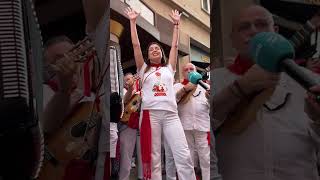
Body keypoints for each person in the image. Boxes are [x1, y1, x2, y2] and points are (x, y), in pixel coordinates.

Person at [211, 5, 320, 180]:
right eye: (244, 27)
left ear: (275, 31)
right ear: (232, 39)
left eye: (261, 24)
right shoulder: (214, 80)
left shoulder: (309, 81)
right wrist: (239, 89)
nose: (253, 31)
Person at [125, 7, 196, 180]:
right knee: (154, 157)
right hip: (150, 115)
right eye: (151, 50)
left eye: (158, 49)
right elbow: (136, 45)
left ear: (162, 54)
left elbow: (175, 45)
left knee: (183, 154)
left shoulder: (169, 68)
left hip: (171, 115)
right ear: (148, 56)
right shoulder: (143, 69)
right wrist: (132, 22)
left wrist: (176, 25)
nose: (155, 50)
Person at [164, 63, 211, 180]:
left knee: (206, 158)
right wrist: (185, 89)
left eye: (192, 69)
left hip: (202, 126)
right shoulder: (177, 86)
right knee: (187, 158)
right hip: (184, 126)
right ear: (183, 73)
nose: (189, 71)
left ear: (196, 71)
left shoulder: (205, 86)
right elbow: (171, 102)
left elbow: (213, 106)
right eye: (186, 69)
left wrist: (211, 98)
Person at [118, 72, 143, 180]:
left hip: (137, 125)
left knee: (137, 155)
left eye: (130, 79)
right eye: (126, 80)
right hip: (124, 126)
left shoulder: (141, 91)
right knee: (124, 155)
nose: (129, 81)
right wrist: (131, 87)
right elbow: (125, 99)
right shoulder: (121, 91)